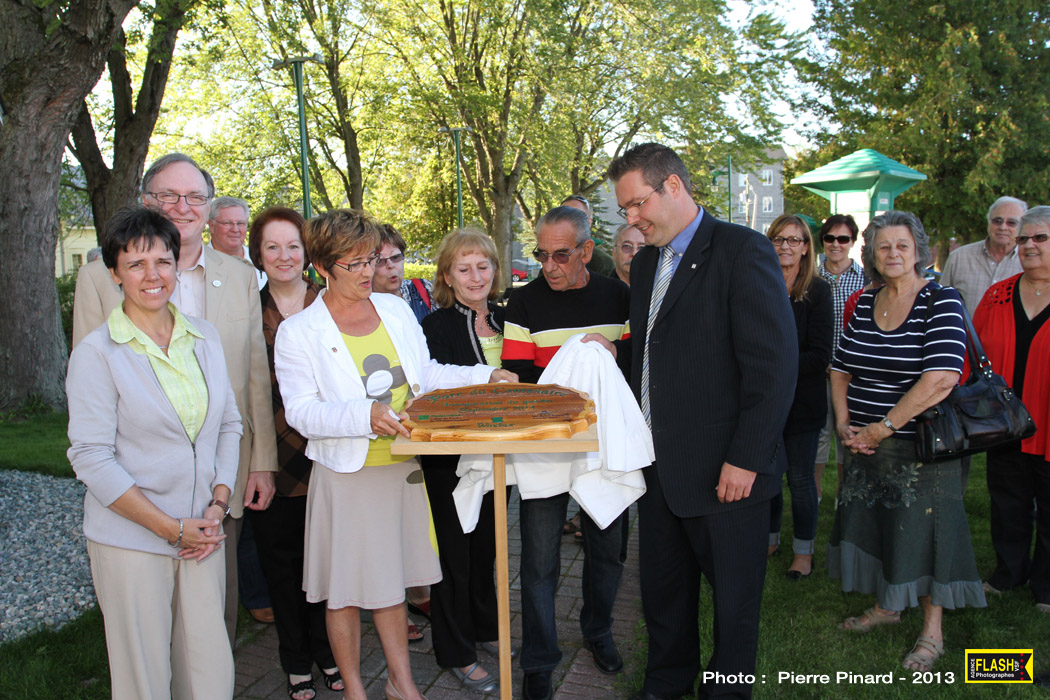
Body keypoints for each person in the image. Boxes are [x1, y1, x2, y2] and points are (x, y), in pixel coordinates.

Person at [274, 209, 515, 700]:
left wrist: (481, 376)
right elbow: (301, 412)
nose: (367, 272)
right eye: (353, 264)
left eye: (371, 259)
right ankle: (356, 690)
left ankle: (402, 683)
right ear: (321, 266)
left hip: (404, 468)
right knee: (342, 592)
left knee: (391, 585)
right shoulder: (298, 332)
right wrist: (364, 416)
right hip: (349, 475)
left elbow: (424, 374)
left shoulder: (397, 310)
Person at [601, 142, 796, 700]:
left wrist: (747, 458)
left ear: (674, 188)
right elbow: (655, 353)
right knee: (664, 594)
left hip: (727, 472)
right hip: (659, 469)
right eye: (625, 212)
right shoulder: (644, 263)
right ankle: (665, 682)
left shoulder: (741, 250)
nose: (633, 219)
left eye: (638, 204)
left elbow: (772, 367)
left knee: (734, 606)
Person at [71, 153, 277, 644]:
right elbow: (88, 384)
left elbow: (252, 378)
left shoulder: (240, 275)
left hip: (217, 480)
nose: (181, 207)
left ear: (208, 207)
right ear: (146, 201)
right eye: (168, 195)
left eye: (194, 197)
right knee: (144, 634)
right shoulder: (98, 277)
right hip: (135, 485)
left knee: (211, 621)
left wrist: (261, 461)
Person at [67, 206, 240, 699]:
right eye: (136, 263)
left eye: (162, 261)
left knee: (208, 670)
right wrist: (169, 529)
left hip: (202, 532)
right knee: (144, 678)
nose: (152, 275)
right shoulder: (97, 354)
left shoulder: (204, 338)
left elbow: (229, 423)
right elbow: (91, 458)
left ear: (177, 265)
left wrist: (216, 505)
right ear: (115, 272)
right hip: (131, 538)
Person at [828, 210, 986, 672]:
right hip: (864, 441)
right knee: (878, 523)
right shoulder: (869, 300)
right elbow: (840, 367)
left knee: (927, 534)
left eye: (902, 245)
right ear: (872, 255)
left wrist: (882, 427)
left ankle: (931, 635)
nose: (892, 253)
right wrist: (844, 421)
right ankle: (888, 607)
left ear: (919, 250)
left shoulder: (942, 300)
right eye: (883, 246)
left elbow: (940, 378)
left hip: (922, 443)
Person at [501, 205, 630, 700]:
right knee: (537, 561)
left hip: (604, 445)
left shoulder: (620, 296)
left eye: (560, 255)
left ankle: (598, 631)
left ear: (586, 251)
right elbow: (518, 377)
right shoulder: (524, 303)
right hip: (545, 445)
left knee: (607, 552)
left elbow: (640, 366)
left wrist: (616, 351)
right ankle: (538, 661)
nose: (548, 265)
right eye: (541, 254)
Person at [245, 207, 342, 700]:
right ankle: (295, 660)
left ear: (308, 253)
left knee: (324, 562)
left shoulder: (330, 305)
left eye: (293, 246)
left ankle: (329, 651)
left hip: (328, 450)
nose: (284, 256)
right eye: (272, 247)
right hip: (272, 454)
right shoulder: (246, 310)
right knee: (281, 565)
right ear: (258, 254)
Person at [417, 228, 509, 693]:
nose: (475, 276)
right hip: (449, 463)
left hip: (501, 459)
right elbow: (433, 393)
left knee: (486, 549)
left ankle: (486, 627)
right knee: (453, 553)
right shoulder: (434, 328)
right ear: (447, 277)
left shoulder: (513, 321)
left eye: (483, 266)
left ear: (495, 269)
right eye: (464, 268)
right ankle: (455, 650)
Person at [972, 205, 1050, 614]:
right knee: (1007, 503)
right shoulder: (997, 295)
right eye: (1024, 239)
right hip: (1004, 423)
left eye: (1040, 238)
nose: (1029, 246)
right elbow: (974, 351)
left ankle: (1047, 587)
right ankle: (1008, 572)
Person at [764, 215, 832, 579]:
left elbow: (821, 355)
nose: (785, 247)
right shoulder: (759, 283)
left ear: (806, 247)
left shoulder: (818, 292)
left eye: (794, 240)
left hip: (803, 403)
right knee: (769, 477)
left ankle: (803, 552)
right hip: (766, 402)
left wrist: (776, 363)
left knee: (802, 480)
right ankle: (770, 540)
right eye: (778, 239)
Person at [814, 214, 865, 500]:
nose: (836, 244)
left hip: (851, 375)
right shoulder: (811, 276)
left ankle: (844, 496)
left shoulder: (866, 281)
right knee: (820, 434)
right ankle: (816, 493)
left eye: (843, 239)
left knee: (848, 434)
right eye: (830, 238)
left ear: (852, 242)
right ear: (822, 241)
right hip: (820, 372)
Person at [941, 196, 1026, 315]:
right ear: (988, 222)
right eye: (997, 221)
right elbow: (940, 304)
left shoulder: (1028, 262)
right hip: (964, 333)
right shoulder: (959, 257)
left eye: (1011, 223)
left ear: (1023, 226)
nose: (1003, 227)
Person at [373, 223, 434, 323]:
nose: (390, 265)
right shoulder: (362, 306)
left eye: (395, 257)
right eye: (380, 261)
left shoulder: (424, 289)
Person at [209, 196, 266, 288]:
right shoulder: (199, 263)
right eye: (227, 223)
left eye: (240, 223)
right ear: (211, 225)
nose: (235, 229)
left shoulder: (262, 261)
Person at [561, 194, 617, 278]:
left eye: (577, 217)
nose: (570, 222)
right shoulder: (550, 259)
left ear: (589, 223)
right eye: (564, 217)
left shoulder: (603, 263)